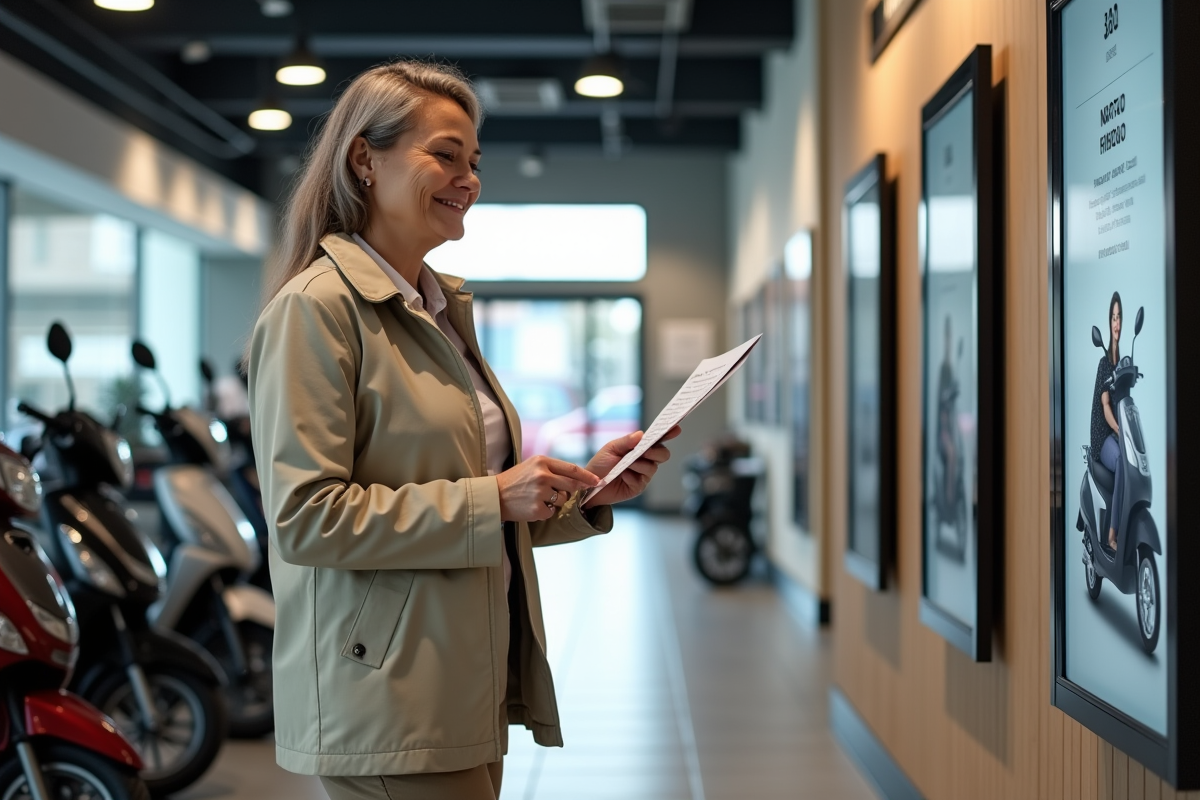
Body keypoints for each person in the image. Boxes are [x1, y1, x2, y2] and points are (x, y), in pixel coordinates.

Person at [247, 60, 680, 800]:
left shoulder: (436, 310)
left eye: (474, 161)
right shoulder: (316, 310)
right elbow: (306, 518)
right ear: (364, 158)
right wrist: (495, 498)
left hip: (462, 677)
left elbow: (466, 498)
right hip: (387, 690)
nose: (468, 177)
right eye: (445, 154)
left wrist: (587, 492)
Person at [1089, 291, 1123, 551]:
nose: (1116, 323)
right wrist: (1116, 429)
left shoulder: (1122, 363)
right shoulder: (1104, 363)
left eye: (1119, 316)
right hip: (1103, 436)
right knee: (1123, 461)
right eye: (1113, 317)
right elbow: (1106, 405)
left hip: (1117, 433)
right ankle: (1112, 536)